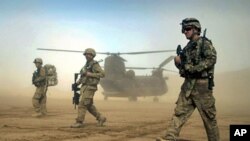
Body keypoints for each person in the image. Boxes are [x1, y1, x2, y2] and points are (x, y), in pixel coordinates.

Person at [156, 18, 219, 141]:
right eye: (183, 29)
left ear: (196, 29)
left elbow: (211, 60)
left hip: (202, 86)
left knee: (209, 118)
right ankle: (170, 137)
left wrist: (192, 68)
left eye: (187, 29)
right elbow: (184, 69)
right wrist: (178, 62)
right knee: (179, 113)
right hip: (188, 85)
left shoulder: (204, 44)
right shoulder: (187, 48)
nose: (185, 32)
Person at [71, 48, 106, 128]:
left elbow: (103, 74)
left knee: (82, 104)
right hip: (85, 87)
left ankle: (79, 122)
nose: (87, 56)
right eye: (86, 54)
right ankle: (101, 118)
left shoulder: (94, 64)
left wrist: (90, 74)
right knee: (89, 105)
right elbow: (83, 76)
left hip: (90, 87)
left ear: (93, 55)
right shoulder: (86, 65)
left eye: (89, 54)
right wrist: (76, 84)